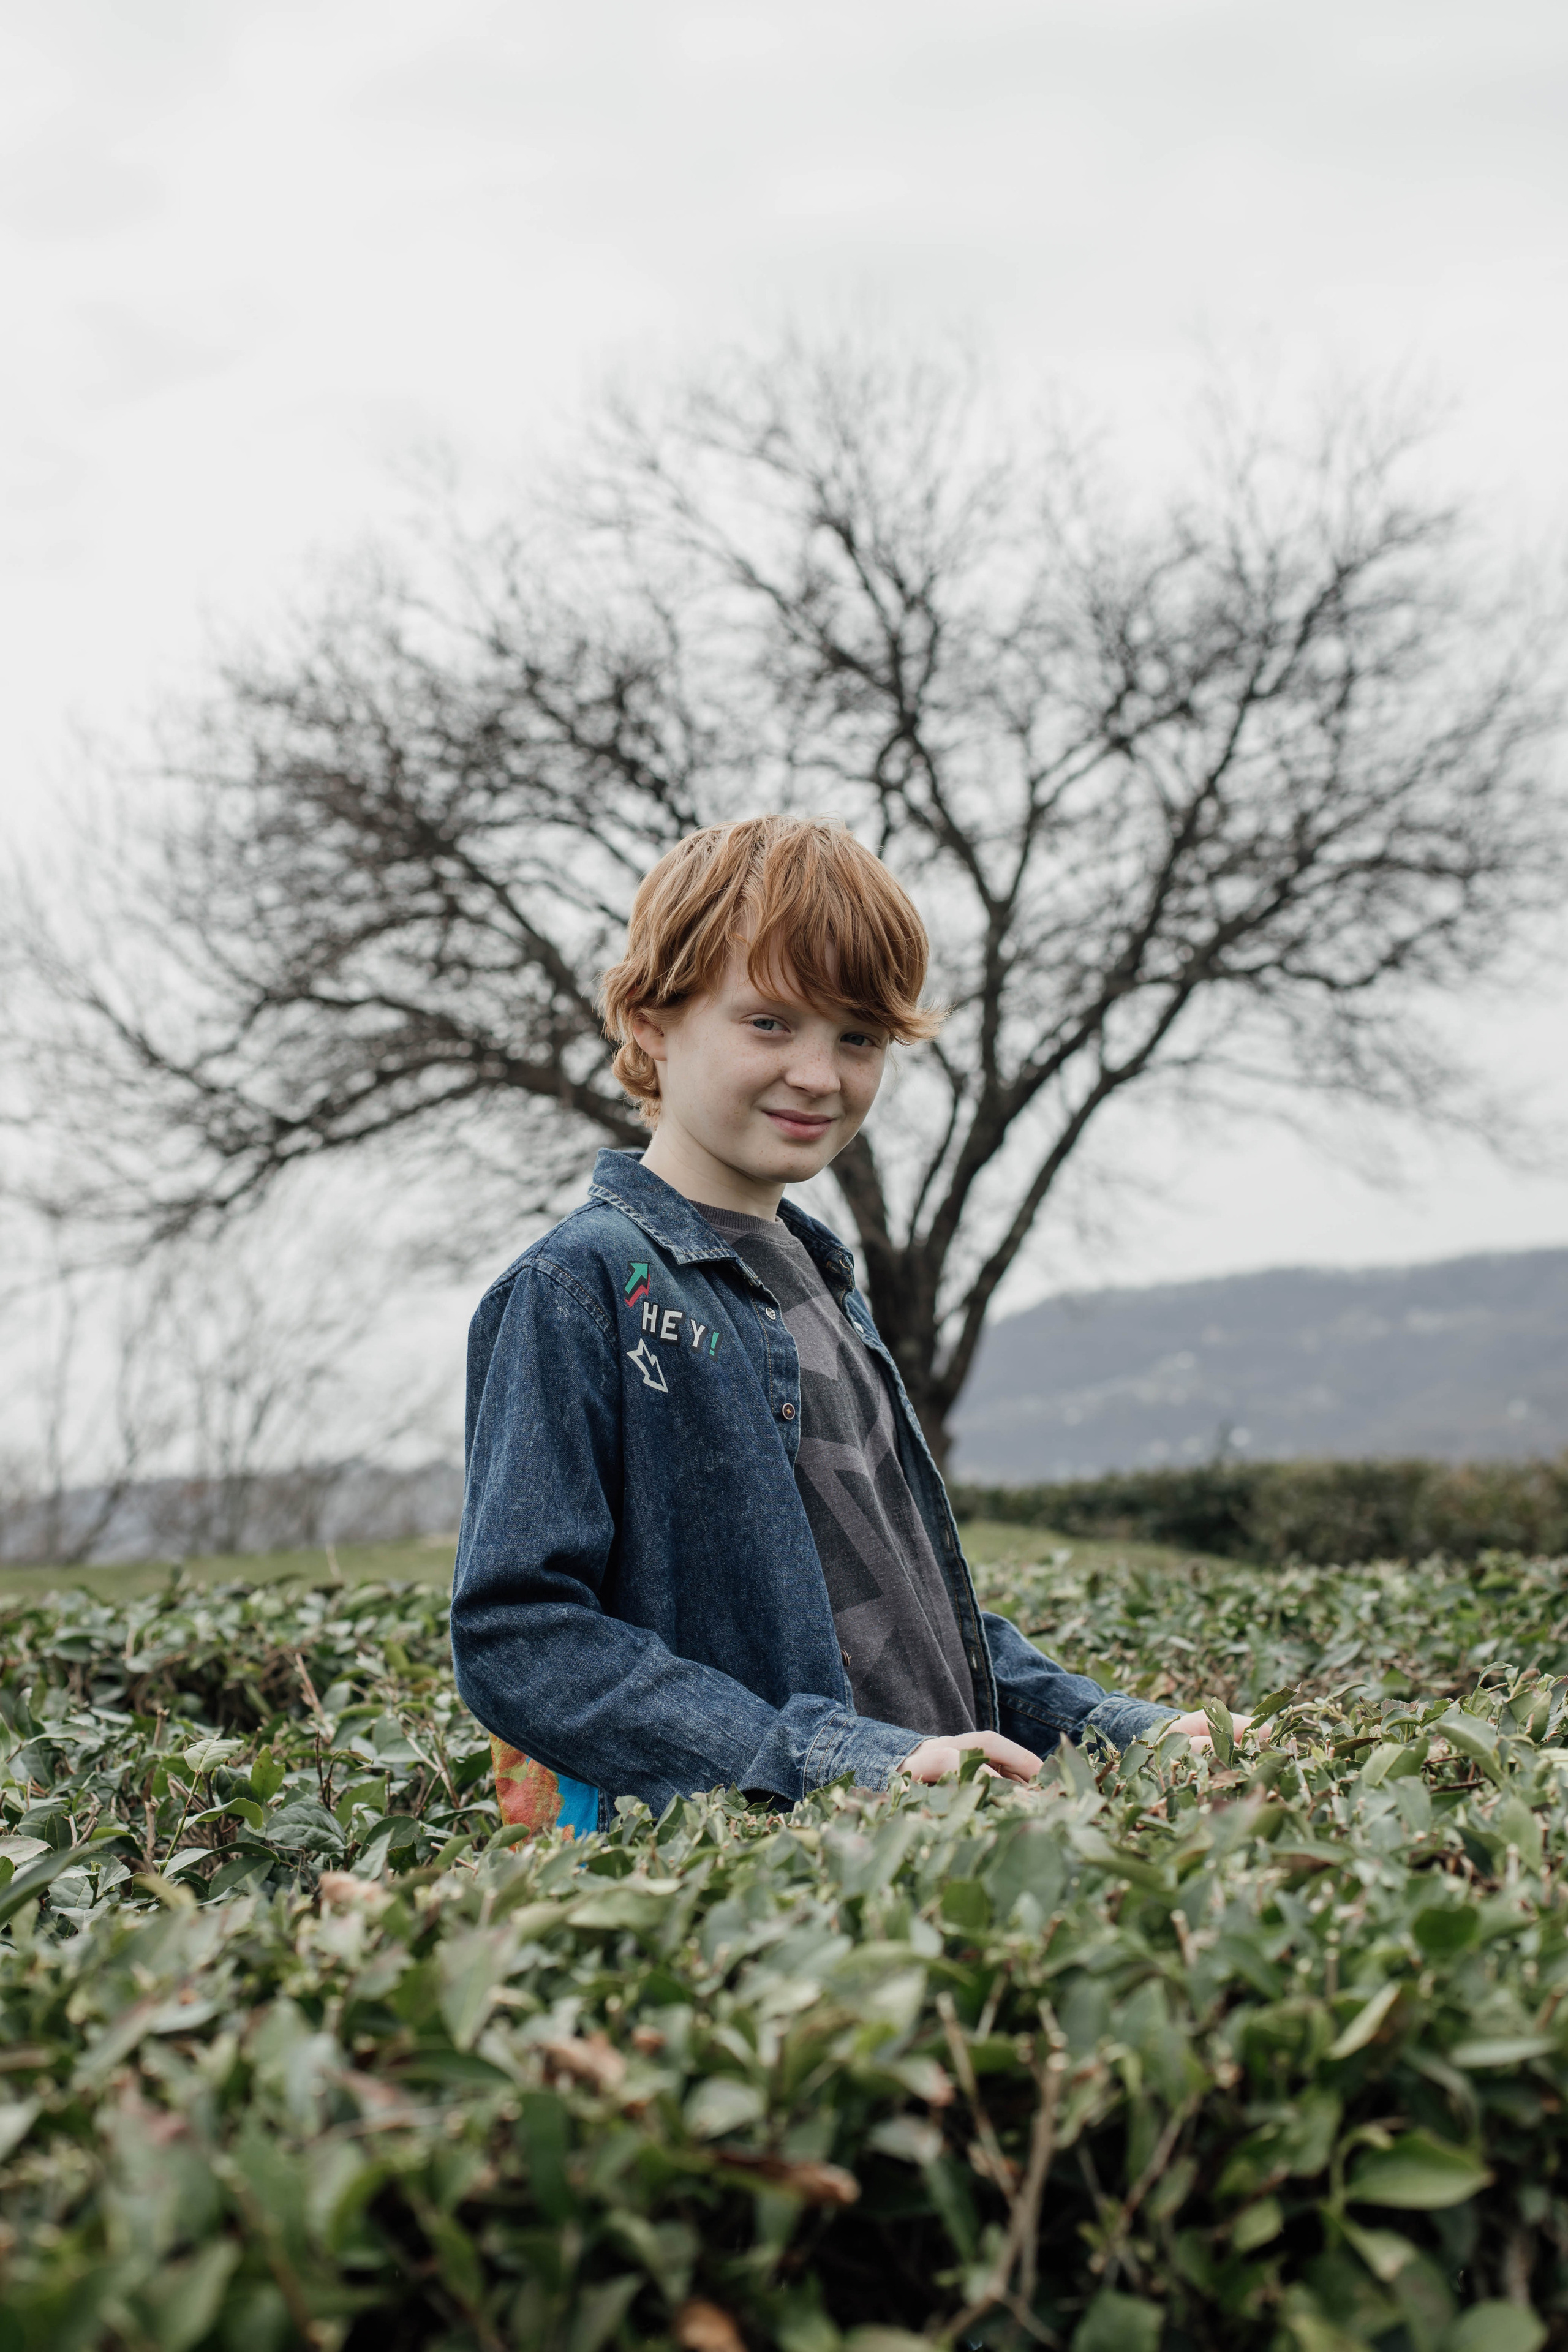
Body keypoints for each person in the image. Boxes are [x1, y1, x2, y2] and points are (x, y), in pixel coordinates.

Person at [450, 816, 1244, 1837]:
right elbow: (522, 1637)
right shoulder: (580, 1287)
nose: (821, 1075)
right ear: (651, 1020)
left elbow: (910, 1623)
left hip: (931, 1859)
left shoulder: (824, 1284)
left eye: (858, 1037)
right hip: (769, 1892)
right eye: (770, 1022)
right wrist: (840, 1762)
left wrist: (1121, 1728)